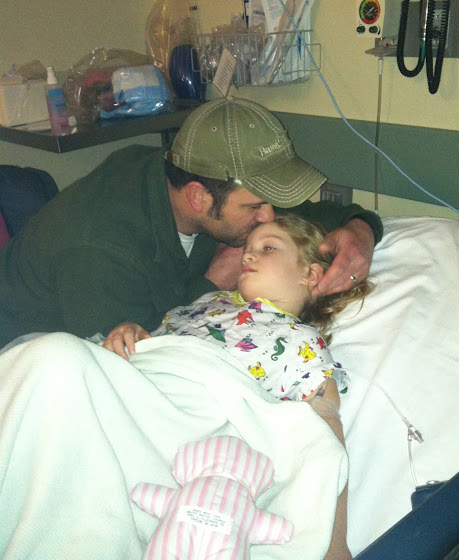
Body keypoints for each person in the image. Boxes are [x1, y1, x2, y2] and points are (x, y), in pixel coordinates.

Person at [0, 97, 382, 349]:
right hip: (27, 360)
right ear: (198, 198)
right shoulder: (99, 250)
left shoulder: (194, 177)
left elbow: (310, 216)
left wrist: (360, 231)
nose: (269, 216)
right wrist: (211, 284)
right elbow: (140, 358)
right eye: (255, 206)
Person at [101, 212, 373, 560]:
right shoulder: (207, 302)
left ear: (310, 274)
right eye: (248, 249)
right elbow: (153, 343)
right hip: (139, 386)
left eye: (268, 248)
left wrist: (335, 545)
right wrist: (129, 330)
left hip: (191, 419)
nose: (248, 255)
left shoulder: (301, 341)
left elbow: (324, 438)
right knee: (55, 355)